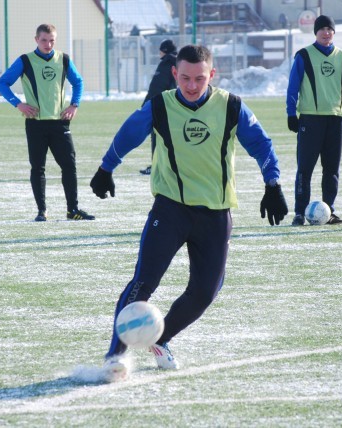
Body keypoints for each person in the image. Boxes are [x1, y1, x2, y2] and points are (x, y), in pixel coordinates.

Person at [90, 45, 288, 381]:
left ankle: (162, 339)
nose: (192, 85)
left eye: (199, 78)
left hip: (214, 213)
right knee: (143, 282)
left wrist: (273, 184)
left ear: (212, 74)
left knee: (205, 292)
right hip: (170, 209)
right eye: (185, 78)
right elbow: (129, 133)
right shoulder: (161, 106)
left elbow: (261, 143)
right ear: (174, 75)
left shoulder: (231, 106)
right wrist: (106, 167)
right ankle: (115, 356)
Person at [0, 23, 94, 222]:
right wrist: (18, 104)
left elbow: (79, 82)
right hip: (35, 124)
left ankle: (72, 210)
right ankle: (42, 211)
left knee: (69, 166)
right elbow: (2, 83)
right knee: (38, 168)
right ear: (36, 40)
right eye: (44, 40)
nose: (48, 44)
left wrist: (74, 104)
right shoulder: (25, 61)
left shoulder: (64, 59)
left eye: (52, 41)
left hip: (60, 123)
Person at [286, 14, 342, 226]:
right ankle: (300, 212)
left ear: (334, 32)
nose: (326, 33)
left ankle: (328, 210)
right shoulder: (303, 56)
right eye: (322, 29)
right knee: (305, 169)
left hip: (335, 120)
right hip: (310, 120)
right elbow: (293, 87)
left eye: (330, 29)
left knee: (331, 170)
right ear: (315, 33)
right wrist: (291, 113)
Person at [139, 39, 177, 175]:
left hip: (162, 105)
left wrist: (145, 105)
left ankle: (157, 165)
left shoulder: (166, 64)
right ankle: (169, 164)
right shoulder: (179, 63)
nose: (159, 52)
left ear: (165, 51)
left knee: (157, 134)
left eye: (160, 50)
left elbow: (156, 87)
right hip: (175, 104)